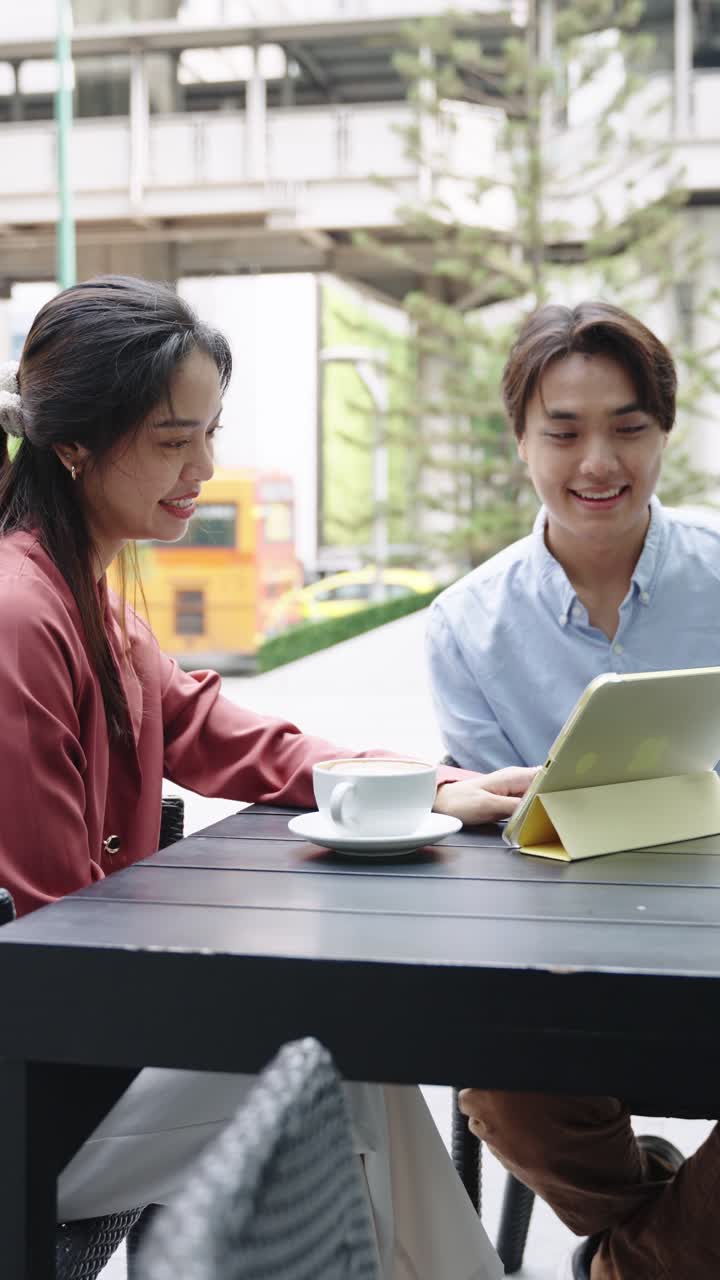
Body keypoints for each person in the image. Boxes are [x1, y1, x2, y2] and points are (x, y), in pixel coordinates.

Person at [0, 275, 536, 1280]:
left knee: (344, 1047)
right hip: (36, 1094)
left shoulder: (91, 600)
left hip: (83, 1050)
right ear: (75, 442)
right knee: (332, 1045)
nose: (205, 464)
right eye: (171, 439)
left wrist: (434, 785)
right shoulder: (22, 614)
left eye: (209, 430)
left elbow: (226, 732)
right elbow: (51, 931)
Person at [427, 300, 720, 1278]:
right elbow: (497, 852)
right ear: (521, 440)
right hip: (562, 961)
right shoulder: (467, 625)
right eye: (564, 430)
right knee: (502, 1082)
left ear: (665, 431)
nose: (599, 461)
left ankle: (623, 1257)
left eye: (629, 427)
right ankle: (659, 1237)